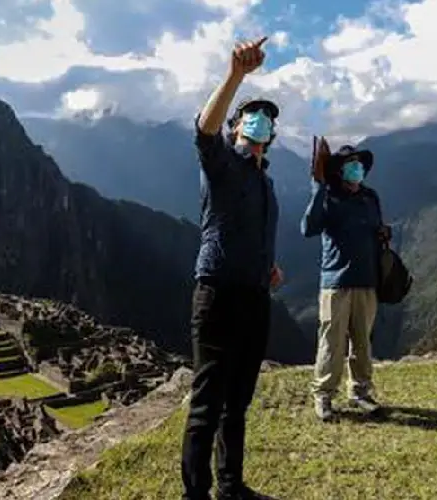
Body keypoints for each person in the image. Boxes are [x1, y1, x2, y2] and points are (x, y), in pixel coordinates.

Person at [180, 35, 281, 500]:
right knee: (207, 403)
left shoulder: (265, 182)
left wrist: (269, 267)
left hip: (255, 294)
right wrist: (235, 76)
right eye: (250, 116)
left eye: (266, 120)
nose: (259, 122)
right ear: (237, 126)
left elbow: (253, 233)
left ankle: (230, 485)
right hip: (218, 293)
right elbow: (203, 130)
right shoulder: (221, 164)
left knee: (237, 401)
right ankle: (195, 493)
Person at [301, 138, 388, 422]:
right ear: (338, 171)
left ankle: (360, 392)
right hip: (336, 280)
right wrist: (318, 187)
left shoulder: (370, 197)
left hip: (367, 279)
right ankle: (324, 395)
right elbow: (308, 228)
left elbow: (376, 229)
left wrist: (383, 235)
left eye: (359, 164)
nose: (357, 168)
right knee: (332, 341)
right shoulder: (329, 198)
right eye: (351, 165)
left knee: (363, 340)